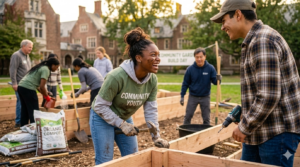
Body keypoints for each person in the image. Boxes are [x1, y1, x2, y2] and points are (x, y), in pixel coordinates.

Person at [210, 0, 300, 166]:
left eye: (224, 21)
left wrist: (244, 127)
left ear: (238, 15)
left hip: (276, 132)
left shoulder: (262, 41)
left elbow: (268, 96)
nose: (222, 27)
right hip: (260, 130)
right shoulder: (253, 41)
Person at [90, 27, 169, 165]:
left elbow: (151, 110)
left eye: (158, 54)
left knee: (133, 157)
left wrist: (156, 137)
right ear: (138, 58)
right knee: (105, 160)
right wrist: (121, 125)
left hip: (124, 118)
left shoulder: (152, 80)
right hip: (101, 117)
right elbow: (100, 106)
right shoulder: (117, 77)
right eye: (153, 55)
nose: (158, 59)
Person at [180, 48, 221, 125]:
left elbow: (215, 82)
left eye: (201, 57)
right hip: (193, 97)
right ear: (195, 57)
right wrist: (182, 96)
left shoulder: (210, 68)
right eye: (197, 57)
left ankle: (206, 135)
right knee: (188, 116)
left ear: (205, 57)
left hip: (205, 97)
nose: (199, 59)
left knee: (206, 118)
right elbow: (185, 83)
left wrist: (219, 79)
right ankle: (185, 133)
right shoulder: (190, 69)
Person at [18, 58, 60, 126]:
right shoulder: (46, 70)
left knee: (25, 110)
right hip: (29, 89)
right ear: (52, 65)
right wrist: (47, 97)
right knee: (34, 111)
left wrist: (45, 93)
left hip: (21, 87)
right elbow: (42, 87)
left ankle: (23, 128)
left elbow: (38, 86)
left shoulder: (41, 67)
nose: (57, 69)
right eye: (56, 67)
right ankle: (35, 129)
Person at [9, 39, 33, 127]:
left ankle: (24, 120)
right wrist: (14, 83)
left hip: (27, 84)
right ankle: (18, 122)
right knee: (20, 102)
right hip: (19, 84)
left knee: (25, 102)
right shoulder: (17, 55)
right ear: (23, 46)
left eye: (31, 47)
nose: (31, 49)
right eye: (29, 47)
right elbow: (13, 70)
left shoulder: (27, 56)